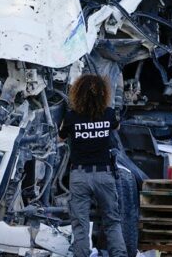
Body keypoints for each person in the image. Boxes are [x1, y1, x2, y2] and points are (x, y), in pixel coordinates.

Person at [59, 73, 126, 257]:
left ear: (77, 94)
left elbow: (60, 137)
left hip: (79, 176)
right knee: (112, 221)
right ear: (104, 94)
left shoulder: (71, 117)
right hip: (104, 174)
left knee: (80, 223)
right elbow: (117, 127)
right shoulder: (109, 114)